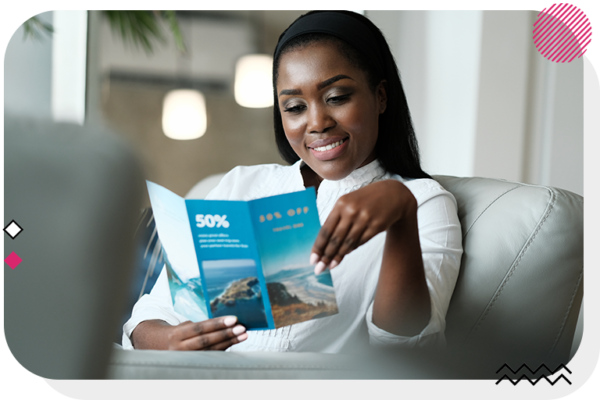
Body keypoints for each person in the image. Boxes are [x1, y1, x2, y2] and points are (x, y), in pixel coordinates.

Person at [123, 10, 463, 353]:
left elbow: (407, 350)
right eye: (295, 106)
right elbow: (153, 311)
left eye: (336, 97)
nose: (317, 122)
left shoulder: (422, 202)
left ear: (381, 96)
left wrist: (400, 213)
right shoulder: (242, 184)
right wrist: (167, 340)